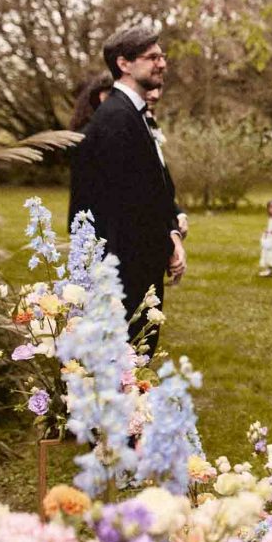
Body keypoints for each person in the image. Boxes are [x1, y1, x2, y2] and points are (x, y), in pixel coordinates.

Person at [68, 26, 185, 355]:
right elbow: (130, 204)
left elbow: (152, 190)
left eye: (162, 56)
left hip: (133, 263)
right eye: (152, 57)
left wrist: (171, 234)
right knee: (125, 363)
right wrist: (168, 245)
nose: (161, 63)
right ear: (124, 64)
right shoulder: (116, 119)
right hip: (123, 270)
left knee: (133, 363)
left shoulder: (130, 114)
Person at [144, 86, 188, 240]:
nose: (155, 95)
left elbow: (162, 186)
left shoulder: (151, 127)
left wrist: (178, 214)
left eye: (159, 89)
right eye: (149, 89)